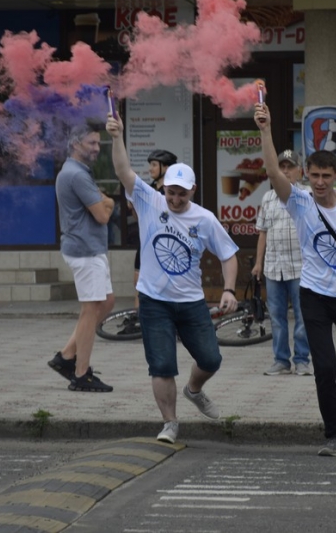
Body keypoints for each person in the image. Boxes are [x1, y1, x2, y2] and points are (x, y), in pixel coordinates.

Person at [256, 103, 336, 456]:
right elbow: (272, 171)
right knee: (325, 368)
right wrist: (266, 130)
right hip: (313, 295)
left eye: (326, 176)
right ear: (305, 174)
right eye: (314, 176)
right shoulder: (298, 202)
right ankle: (335, 435)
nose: (319, 183)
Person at [108, 113, 239, 445]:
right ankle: (170, 423)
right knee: (162, 365)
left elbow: (228, 254)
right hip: (154, 301)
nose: (175, 199)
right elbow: (124, 171)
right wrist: (117, 136)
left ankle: (194, 390)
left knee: (211, 358)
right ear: (163, 189)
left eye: (182, 194)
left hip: (191, 301)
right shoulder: (150, 201)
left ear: (192, 190)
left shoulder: (205, 218)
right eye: (171, 193)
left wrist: (228, 289)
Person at [47, 124, 117, 392]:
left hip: (88, 249)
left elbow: (101, 205)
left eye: (99, 143)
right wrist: (108, 203)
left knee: (106, 302)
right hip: (85, 251)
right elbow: (103, 214)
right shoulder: (76, 175)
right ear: (76, 144)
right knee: (91, 310)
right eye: (92, 143)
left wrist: (105, 202)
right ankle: (81, 375)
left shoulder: (75, 172)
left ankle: (65, 357)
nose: (97, 148)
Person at [252, 149, 311, 376]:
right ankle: (281, 360)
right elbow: (262, 233)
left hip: (301, 267)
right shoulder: (268, 198)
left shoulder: (307, 195)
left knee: (302, 316)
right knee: (276, 317)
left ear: (300, 171)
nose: (285, 171)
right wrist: (258, 263)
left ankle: (302, 359)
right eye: (281, 167)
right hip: (273, 267)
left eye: (290, 167)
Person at [132, 150, 177, 308]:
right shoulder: (149, 189)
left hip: (164, 245)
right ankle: (137, 320)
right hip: (145, 242)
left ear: (165, 168)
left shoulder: (173, 192)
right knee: (138, 281)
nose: (150, 169)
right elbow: (141, 218)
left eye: (153, 165)